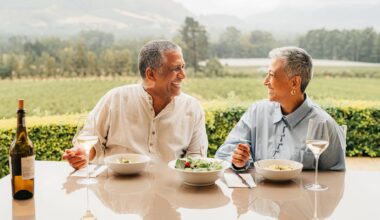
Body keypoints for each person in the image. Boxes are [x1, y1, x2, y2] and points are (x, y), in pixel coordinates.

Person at [63, 40, 208, 169]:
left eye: (183, 67)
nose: (183, 75)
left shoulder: (192, 107)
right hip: (116, 192)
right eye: (176, 68)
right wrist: (83, 154)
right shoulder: (115, 98)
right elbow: (91, 142)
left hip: (170, 193)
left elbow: (196, 159)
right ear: (151, 74)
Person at [215, 46, 346, 171]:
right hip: (258, 194)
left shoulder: (325, 124)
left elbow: (335, 176)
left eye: (271, 75)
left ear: (294, 82)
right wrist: (238, 161)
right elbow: (224, 153)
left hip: (301, 194)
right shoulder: (256, 111)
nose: (265, 81)